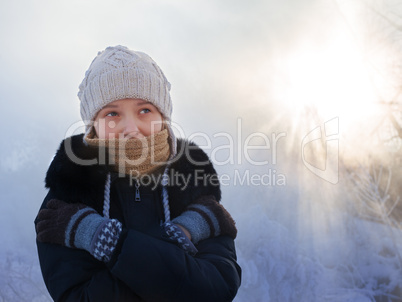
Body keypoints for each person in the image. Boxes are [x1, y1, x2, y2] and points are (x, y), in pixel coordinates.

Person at [35, 45, 241, 301]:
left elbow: (216, 290)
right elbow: (79, 297)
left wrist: (105, 239)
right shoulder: (67, 197)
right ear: (93, 126)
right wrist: (177, 239)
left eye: (144, 110)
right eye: (112, 113)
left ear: (163, 117)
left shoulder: (193, 182)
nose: (131, 128)